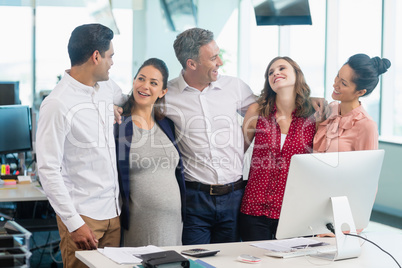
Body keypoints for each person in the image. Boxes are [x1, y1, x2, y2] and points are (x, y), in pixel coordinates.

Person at [36, 23, 127, 268]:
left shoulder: (107, 88)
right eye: (111, 56)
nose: (112, 63)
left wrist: (116, 108)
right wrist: (74, 223)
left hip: (113, 213)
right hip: (84, 217)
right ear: (96, 56)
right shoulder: (57, 104)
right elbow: (47, 170)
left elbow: (128, 103)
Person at [164, 28, 256, 245]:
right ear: (191, 64)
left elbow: (264, 107)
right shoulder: (167, 95)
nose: (220, 62)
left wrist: (242, 142)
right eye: (213, 58)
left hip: (235, 196)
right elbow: (135, 105)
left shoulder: (234, 86)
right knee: (196, 262)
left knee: (230, 262)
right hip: (195, 198)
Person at [239, 56, 316, 241]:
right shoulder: (256, 111)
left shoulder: (315, 115)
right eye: (270, 72)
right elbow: (236, 152)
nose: (276, 73)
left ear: (297, 74)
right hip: (255, 207)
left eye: (282, 68)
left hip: (296, 210)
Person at [115, 58, 186, 247]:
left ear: (163, 92)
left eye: (153, 83)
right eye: (141, 79)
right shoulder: (120, 125)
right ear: (134, 81)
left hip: (174, 223)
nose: (145, 86)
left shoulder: (167, 124)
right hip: (140, 224)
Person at [313, 53, 391, 152]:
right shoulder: (331, 109)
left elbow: (367, 166)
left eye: (344, 83)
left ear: (360, 92)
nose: (335, 85)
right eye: (338, 76)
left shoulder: (367, 125)